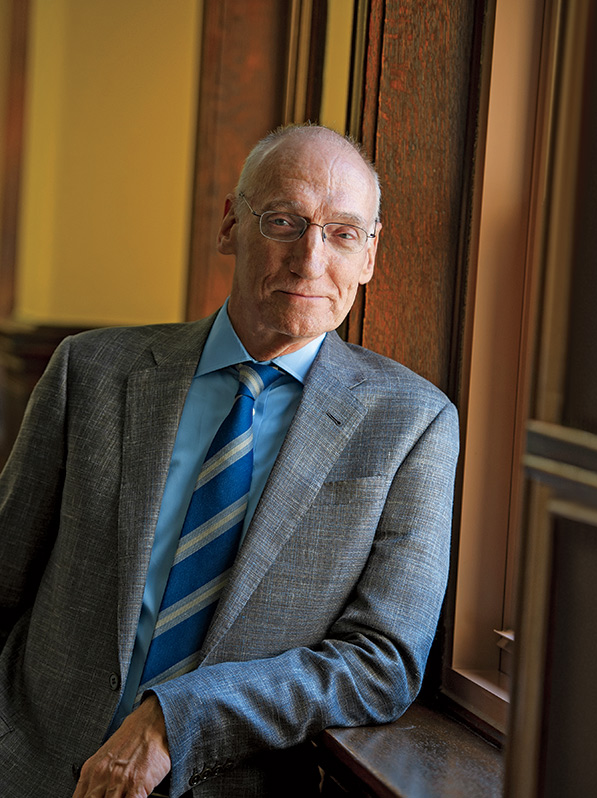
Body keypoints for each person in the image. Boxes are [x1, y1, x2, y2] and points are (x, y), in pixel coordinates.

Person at [0, 124, 459, 798]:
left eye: (342, 234)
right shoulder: (89, 371)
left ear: (370, 254)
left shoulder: (413, 424)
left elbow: (381, 662)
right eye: (283, 222)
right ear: (229, 226)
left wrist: (175, 720)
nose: (309, 261)